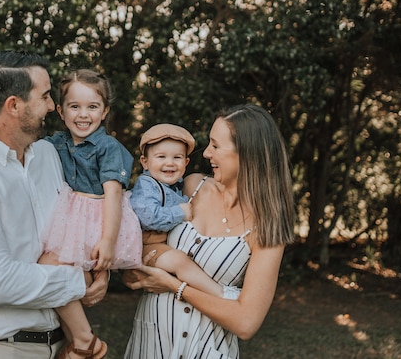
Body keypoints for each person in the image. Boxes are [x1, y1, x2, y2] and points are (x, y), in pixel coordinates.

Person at [0, 52, 109, 359]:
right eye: (45, 96)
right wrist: (80, 280)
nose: (53, 106)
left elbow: (74, 228)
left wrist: (99, 267)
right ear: (14, 105)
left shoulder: (49, 157)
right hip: (0, 349)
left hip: (62, 345)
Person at [123, 104, 297, 359]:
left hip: (207, 350)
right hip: (151, 345)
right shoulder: (190, 186)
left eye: (216, 146)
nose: (206, 154)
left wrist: (174, 284)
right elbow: (137, 253)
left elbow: (246, 323)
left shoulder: (267, 226)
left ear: (246, 154)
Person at [39, 68, 142, 359]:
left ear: (105, 111)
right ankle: (80, 343)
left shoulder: (109, 148)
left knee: (49, 268)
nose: (83, 115)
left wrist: (108, 241)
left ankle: (85, 341)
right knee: (58, 272)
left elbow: (113, 195)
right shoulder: (55, 144)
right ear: (60, 110)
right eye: (75, 106)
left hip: (99, 220)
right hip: (71, 218)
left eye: (92, 107)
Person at [130, 123, 224, 298]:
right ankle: (221, 294)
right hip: (146, 247)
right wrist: (180, 213)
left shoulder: (176, 186)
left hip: (160, 246)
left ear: (186, 162)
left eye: (177, 157)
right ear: (145, 162)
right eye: (161, 157)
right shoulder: (147, 184)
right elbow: (148, 217)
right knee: (180, 261)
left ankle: (201, 293)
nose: (169, 163)